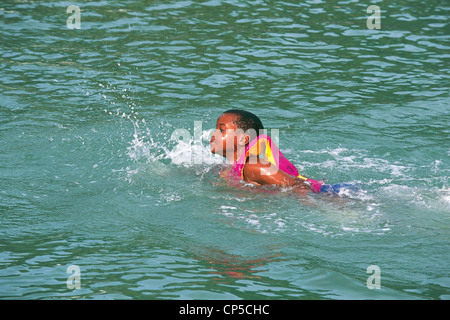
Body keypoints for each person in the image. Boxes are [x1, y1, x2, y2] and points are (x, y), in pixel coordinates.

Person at [209, 109, 322, 194]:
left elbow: (301, 186)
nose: (214, 134)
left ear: (243, 139)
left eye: (222, 130)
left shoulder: (254, 166)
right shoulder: (226, 166)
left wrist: (312, 207)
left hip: (327, 196)